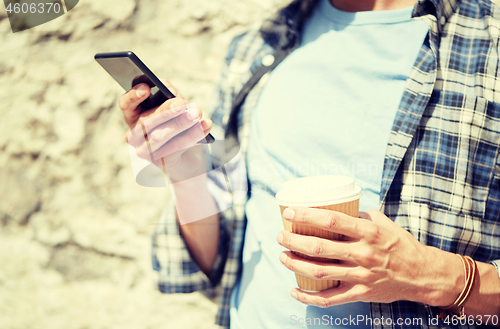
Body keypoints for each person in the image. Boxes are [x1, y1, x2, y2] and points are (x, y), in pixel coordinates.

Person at [119, 0, 500, 328]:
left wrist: (436, 277)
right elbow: (219, 254)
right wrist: (186, 175)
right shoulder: (258, 46)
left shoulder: (489, 41)